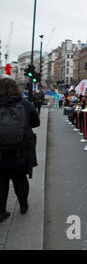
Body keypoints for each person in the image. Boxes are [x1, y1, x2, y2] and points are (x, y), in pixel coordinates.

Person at [0, 78, 40, 223]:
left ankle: (1, 211)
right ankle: (23, 205)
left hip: (1, 154)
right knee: (20, 179)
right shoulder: (25, 104)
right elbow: (36, 122)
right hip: (21, 150)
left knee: (2, 182)